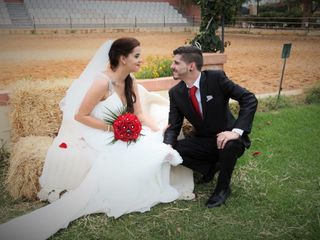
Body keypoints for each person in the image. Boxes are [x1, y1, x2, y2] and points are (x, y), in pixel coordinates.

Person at [0, 38, 194, 240]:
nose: (141, 60)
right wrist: (113, 128)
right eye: (136, 56)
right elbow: (80, 116)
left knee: (152, 142)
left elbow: (140, 115)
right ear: (122, 58)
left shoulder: (130, 81)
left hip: (120, 131)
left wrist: (159, 131)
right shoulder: (102, 83)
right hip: (99, 133)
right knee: (136, 151)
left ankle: (160, 155)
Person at [164, 46, 258, 208]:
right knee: (174, 151)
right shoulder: (175, 93)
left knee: (228, 144)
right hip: (204, 140)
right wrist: (167, 147)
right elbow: (174, 125)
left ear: (191, 66)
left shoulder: (216, 78)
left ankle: (222, 188)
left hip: (229, 139)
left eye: (176, 63)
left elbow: (249, 99)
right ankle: (210, 168)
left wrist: (235, 132)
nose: (172, 66)